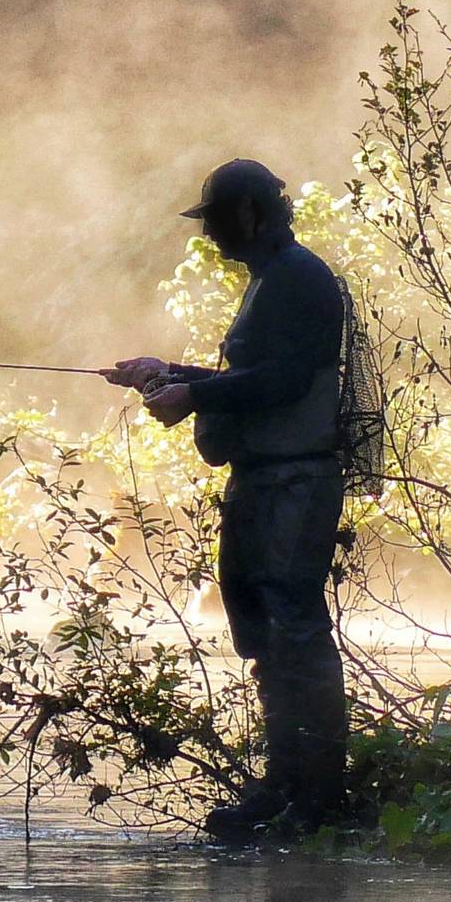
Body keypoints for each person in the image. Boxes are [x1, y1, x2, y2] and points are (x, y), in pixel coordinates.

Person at [102, 158, 349, 842]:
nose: (209, 235)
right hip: (264, 481)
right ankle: (283, 786)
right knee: (268, 639)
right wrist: (166, 373)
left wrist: (196, 394)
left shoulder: (300, 278)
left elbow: (286, 380)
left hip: (294, 484)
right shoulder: (271, 281)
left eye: (215, 220)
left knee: (296, 635)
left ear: (248, 214)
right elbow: (256, 376)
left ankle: (317, 799)